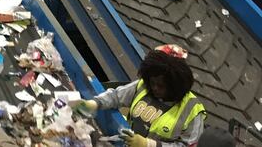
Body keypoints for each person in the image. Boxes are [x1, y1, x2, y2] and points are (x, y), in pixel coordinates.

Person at [72, 45, 206, 147]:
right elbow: (116, 96)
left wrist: (150, 144)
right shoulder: (144, 86)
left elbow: (189, 146)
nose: (155, 88)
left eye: (161, 86)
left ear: (175, 85)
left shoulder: (192, 110)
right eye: (153, 83)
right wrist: (95, 103)